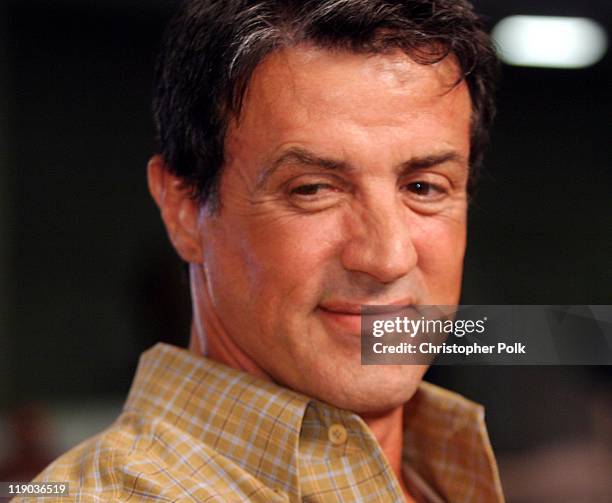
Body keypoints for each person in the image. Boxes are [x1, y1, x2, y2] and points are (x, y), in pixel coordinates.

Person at [24, 0, 503, 501]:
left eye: (424, 188)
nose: (388, 258)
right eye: (313, 189)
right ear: (183, 209)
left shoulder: (443, 471)